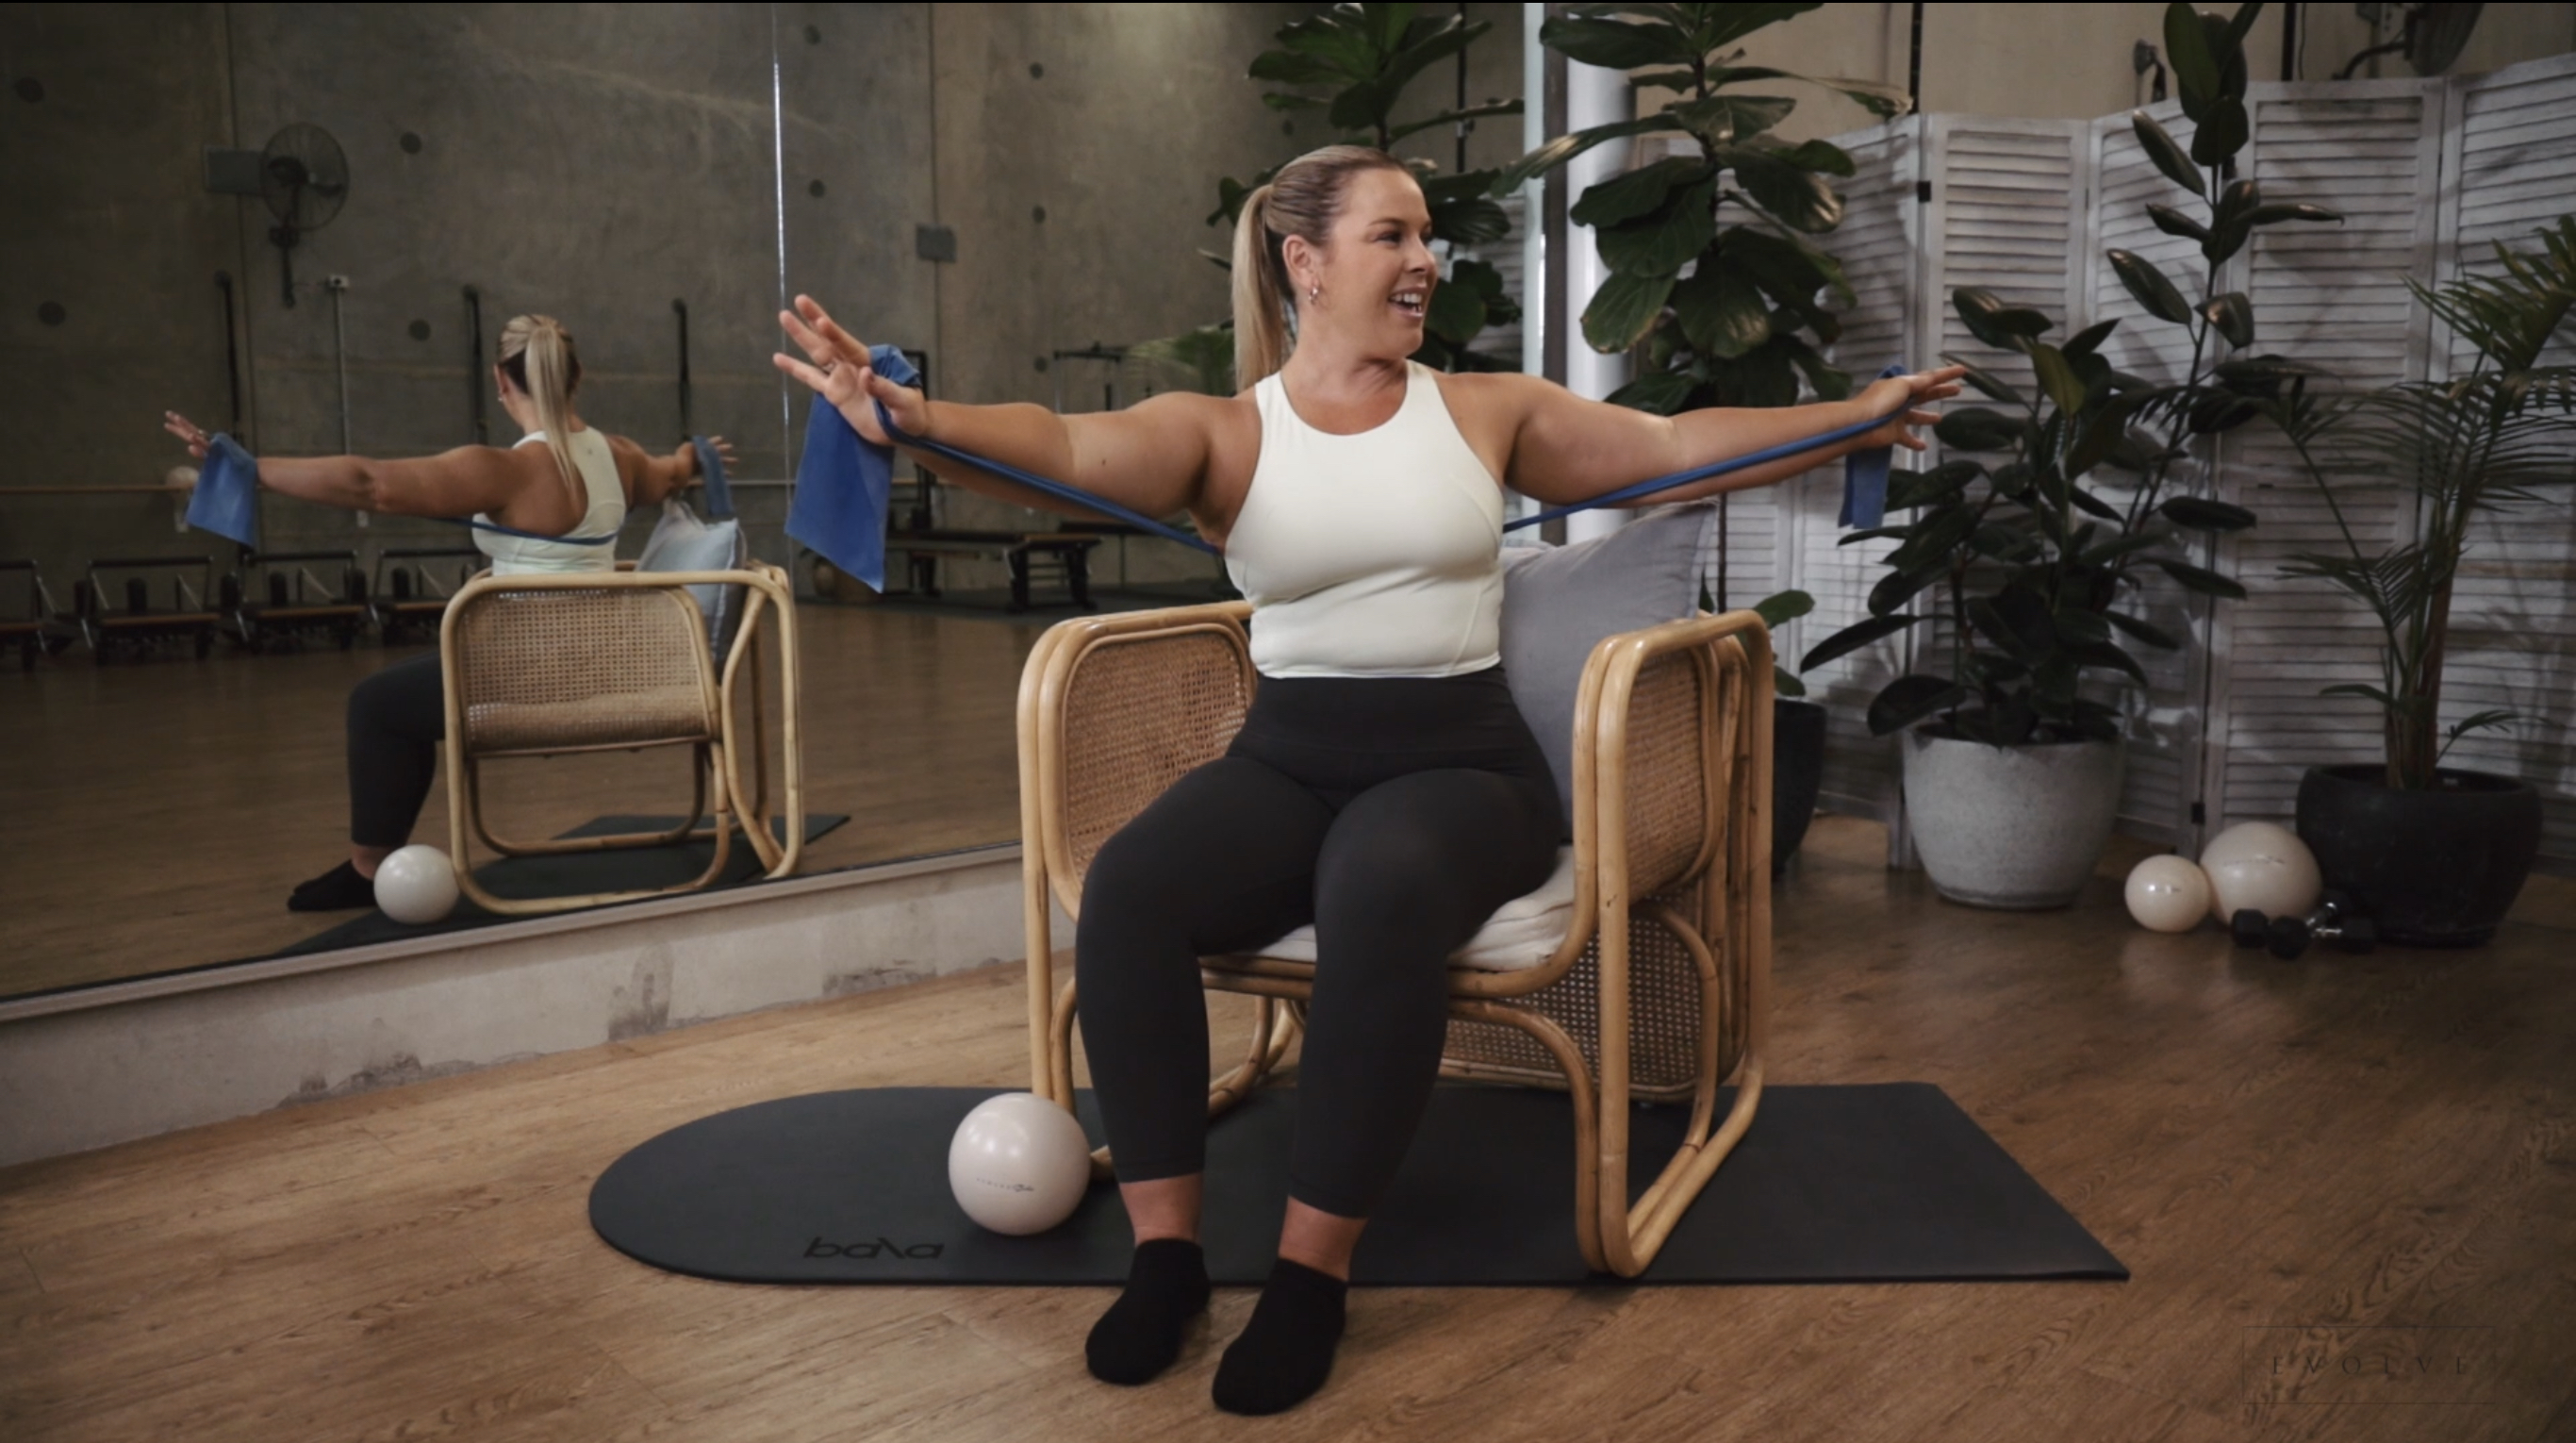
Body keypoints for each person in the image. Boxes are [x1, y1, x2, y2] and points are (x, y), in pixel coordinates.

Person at [775, 144, 1960, 1416]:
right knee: (1130, 887)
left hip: (1463, 767)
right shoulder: (1229, 432)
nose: (1424, 259)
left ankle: (1308, 1276)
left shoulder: (1480, 411)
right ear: (1306, 262)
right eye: (1393, 235)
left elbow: (1670, 443)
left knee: (1379, 881)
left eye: (1426, 234)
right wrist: (909, 415)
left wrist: (1854, 414)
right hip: (1288, 756)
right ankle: (1167, 1257)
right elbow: (1060, 444)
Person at [162, 314, 727, 911]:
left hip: (522, 671)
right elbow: (669, 476)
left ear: (501, 382)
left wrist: (251, 470)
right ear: (577, 375)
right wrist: (696, 459)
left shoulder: (506, 468)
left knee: (377, 706)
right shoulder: (622, 458)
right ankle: (370, 862)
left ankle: (368, 866)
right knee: (400, 694)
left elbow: (369, 485)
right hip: (601, 662)